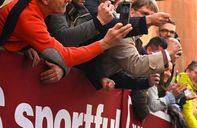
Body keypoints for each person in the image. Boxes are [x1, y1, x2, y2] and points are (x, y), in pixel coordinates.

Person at [0, 0, 132, 82]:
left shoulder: (36, 10)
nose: (68, 0)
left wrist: (25, 46)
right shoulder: (29, 17)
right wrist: (105, 43)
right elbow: (64, 55)